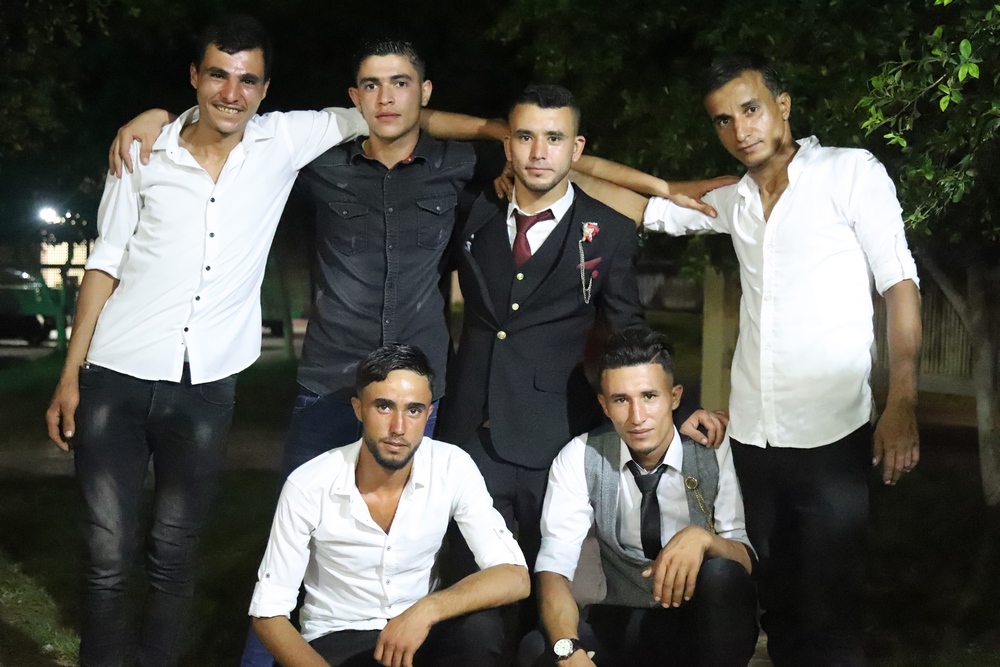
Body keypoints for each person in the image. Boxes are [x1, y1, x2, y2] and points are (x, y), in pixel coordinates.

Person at [42, 16, 374, 666]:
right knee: (107, 553)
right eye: (218, 75)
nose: (232, 92)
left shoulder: (283, 140)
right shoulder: (142, 153)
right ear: (195, 77)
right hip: (115, 375)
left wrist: (500, 134)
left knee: (174, 552)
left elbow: (393, 109)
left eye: (248, 80)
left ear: (265, 89)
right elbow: (104, 264)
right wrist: (69, 375)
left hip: (206, 387)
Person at [581, 54, 923, 666]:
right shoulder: (733, 199)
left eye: (751, 109)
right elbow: (639, 207)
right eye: (723, 120)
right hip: (753, 441)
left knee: (831, 612)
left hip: (832, 434)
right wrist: (552, 164)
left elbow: (899, 284)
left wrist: (902, 400)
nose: (740, 130)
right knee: (779, 607)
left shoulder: (849, 172)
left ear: (782, 106)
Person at [438, 84, 728, 574]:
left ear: (576, 149)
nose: (538, 152)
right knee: (471, 590)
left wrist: (674, 408)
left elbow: (628, 331)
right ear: (507, 145)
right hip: (466, 437)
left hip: (555, 439)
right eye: (526, 137)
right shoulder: (472, 211)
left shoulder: (608, 231)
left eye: (554, 138)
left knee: (552, 583)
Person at [249, 343, 530, 667]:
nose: (398, 427)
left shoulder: (452, 466)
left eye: (413, 410)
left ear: (428, 414)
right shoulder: (309, 485)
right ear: (358, 409)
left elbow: (515, 577)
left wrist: (428, 610)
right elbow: (268, 613)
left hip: (419, 631)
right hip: (340, 640)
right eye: (384, 407)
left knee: (480, 631)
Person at [521, 329, 758, 666]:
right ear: (604, 405)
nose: (637, 417)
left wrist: (704, 539)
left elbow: (745, 559)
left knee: (723, 576)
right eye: (621, 400)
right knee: (537, 650)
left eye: (649, 396)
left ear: (674, 398)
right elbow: (554, 569)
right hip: (619, 621)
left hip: (698, 624)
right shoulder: (581, 456)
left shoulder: (712, 449)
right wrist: (568, 650)